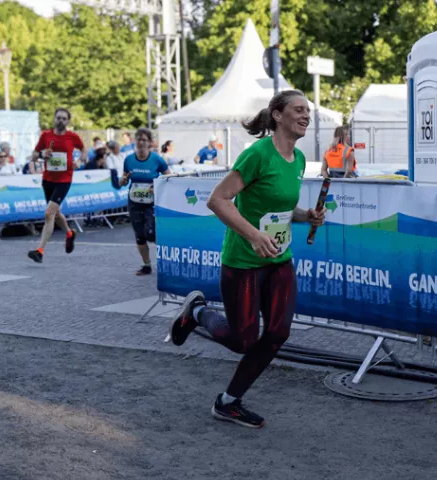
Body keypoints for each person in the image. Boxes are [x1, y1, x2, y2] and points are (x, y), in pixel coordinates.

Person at [169, 90, 325, 428]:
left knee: (278, 332)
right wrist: (253, 236)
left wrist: (305, 216)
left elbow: (279, 209)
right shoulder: (257, 154)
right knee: (243, 341)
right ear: (278, 115)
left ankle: (228, 401)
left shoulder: (297, 159)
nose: (305, 116)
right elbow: (218, 200)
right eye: (298, 110)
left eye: (308, 112)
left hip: (279, 259)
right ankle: (196, 312)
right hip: (244, 261)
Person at [27, 107, 85, 263]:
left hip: (64, 179)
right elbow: (33, 155)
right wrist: (41, 154)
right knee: (56, 213)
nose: (61, 121)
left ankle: (39, 250)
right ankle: (70, 233)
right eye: (58, 117)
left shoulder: (72, 137)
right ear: (54, 119)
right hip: (48, 179)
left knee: (48, 214)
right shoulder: (46, 135)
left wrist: (79, 161)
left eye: (64, 118)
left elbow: (84, 150)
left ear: (67, 121)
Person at [119, 128, 170, 275]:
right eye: (138, 139)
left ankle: (166, 260)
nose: (141, 142)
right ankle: (146, 265)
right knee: (139, 235)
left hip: (151, 203)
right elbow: (123, 180)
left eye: (144, 140)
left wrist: (158, 186)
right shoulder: (129, 160)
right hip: (134, 202)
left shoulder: (157, 159)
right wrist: (123, 180)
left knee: (151, 233)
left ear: (150, 143)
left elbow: (169, 178)